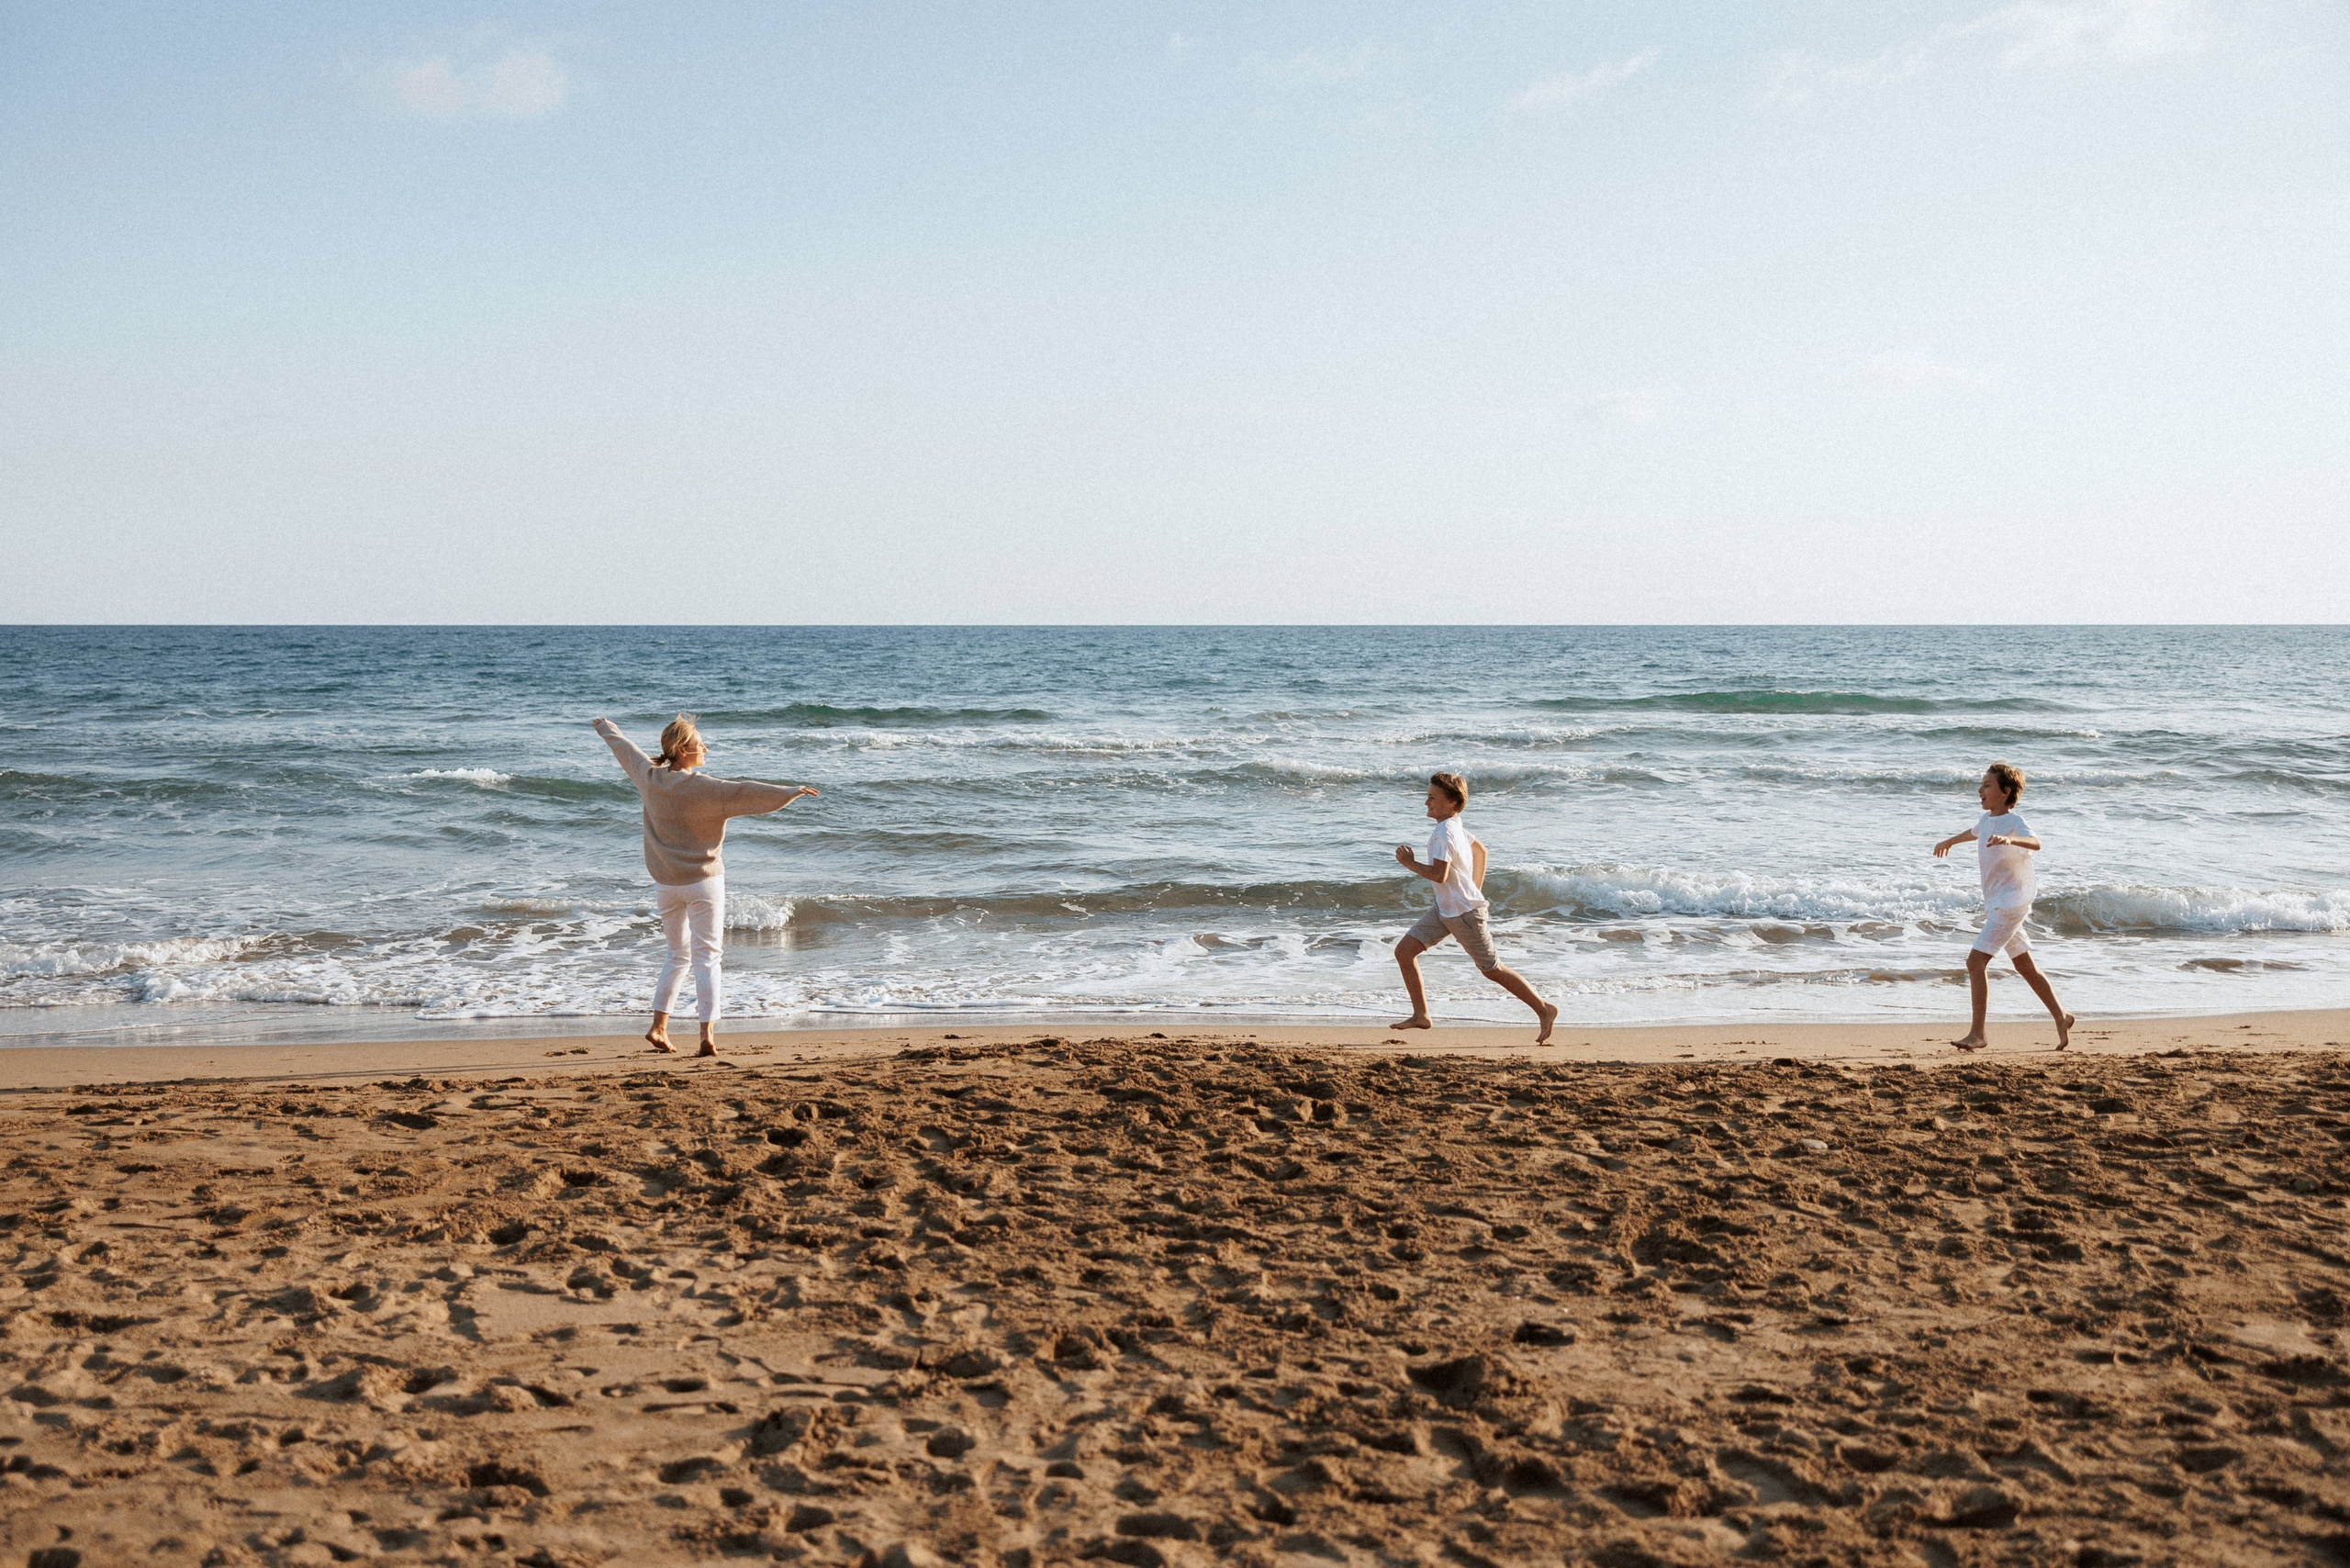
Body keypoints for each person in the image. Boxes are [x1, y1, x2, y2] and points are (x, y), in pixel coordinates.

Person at [593, 714, 817, 1058]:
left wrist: (606, 727)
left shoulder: (648, 777)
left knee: (677, 955)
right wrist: (789, 792)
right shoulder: (706, 788)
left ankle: (658, 1027)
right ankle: (707, 1036)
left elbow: (625, 749)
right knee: (708, 958)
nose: (705, 747)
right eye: (700, 743)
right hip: (704, 883)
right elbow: (746, 792)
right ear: (683, 750)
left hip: (666, 885)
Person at [1390, 771, 1559, 1043]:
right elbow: (1481, 850)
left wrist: (1409, 863)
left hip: (1464, 915)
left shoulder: (1444, 834)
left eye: (1432, 798)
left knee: (1492, 969)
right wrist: (1473, 888)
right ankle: (1421, 1015)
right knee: (1404, 951)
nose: (1426, 803)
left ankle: (1544, 1008)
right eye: (1427, 797)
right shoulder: (1454, 825)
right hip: (1445, 909)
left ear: (1452, 803)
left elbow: (1439, 875)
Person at [1933, 760, 2076, 1052]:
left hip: (2011, 904)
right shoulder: (1986, 820)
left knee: (1975, 962)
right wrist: (1950, 841)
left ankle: (1977, 1034)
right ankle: (2061, 1017)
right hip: (1999, 903)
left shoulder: (2014, 822)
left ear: (2005, 791)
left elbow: (2036, 843)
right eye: (1981, 784)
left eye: (1987, 785)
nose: (1980, 790)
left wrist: (2011, 839)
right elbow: (1973, 832)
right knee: (2025, 966)